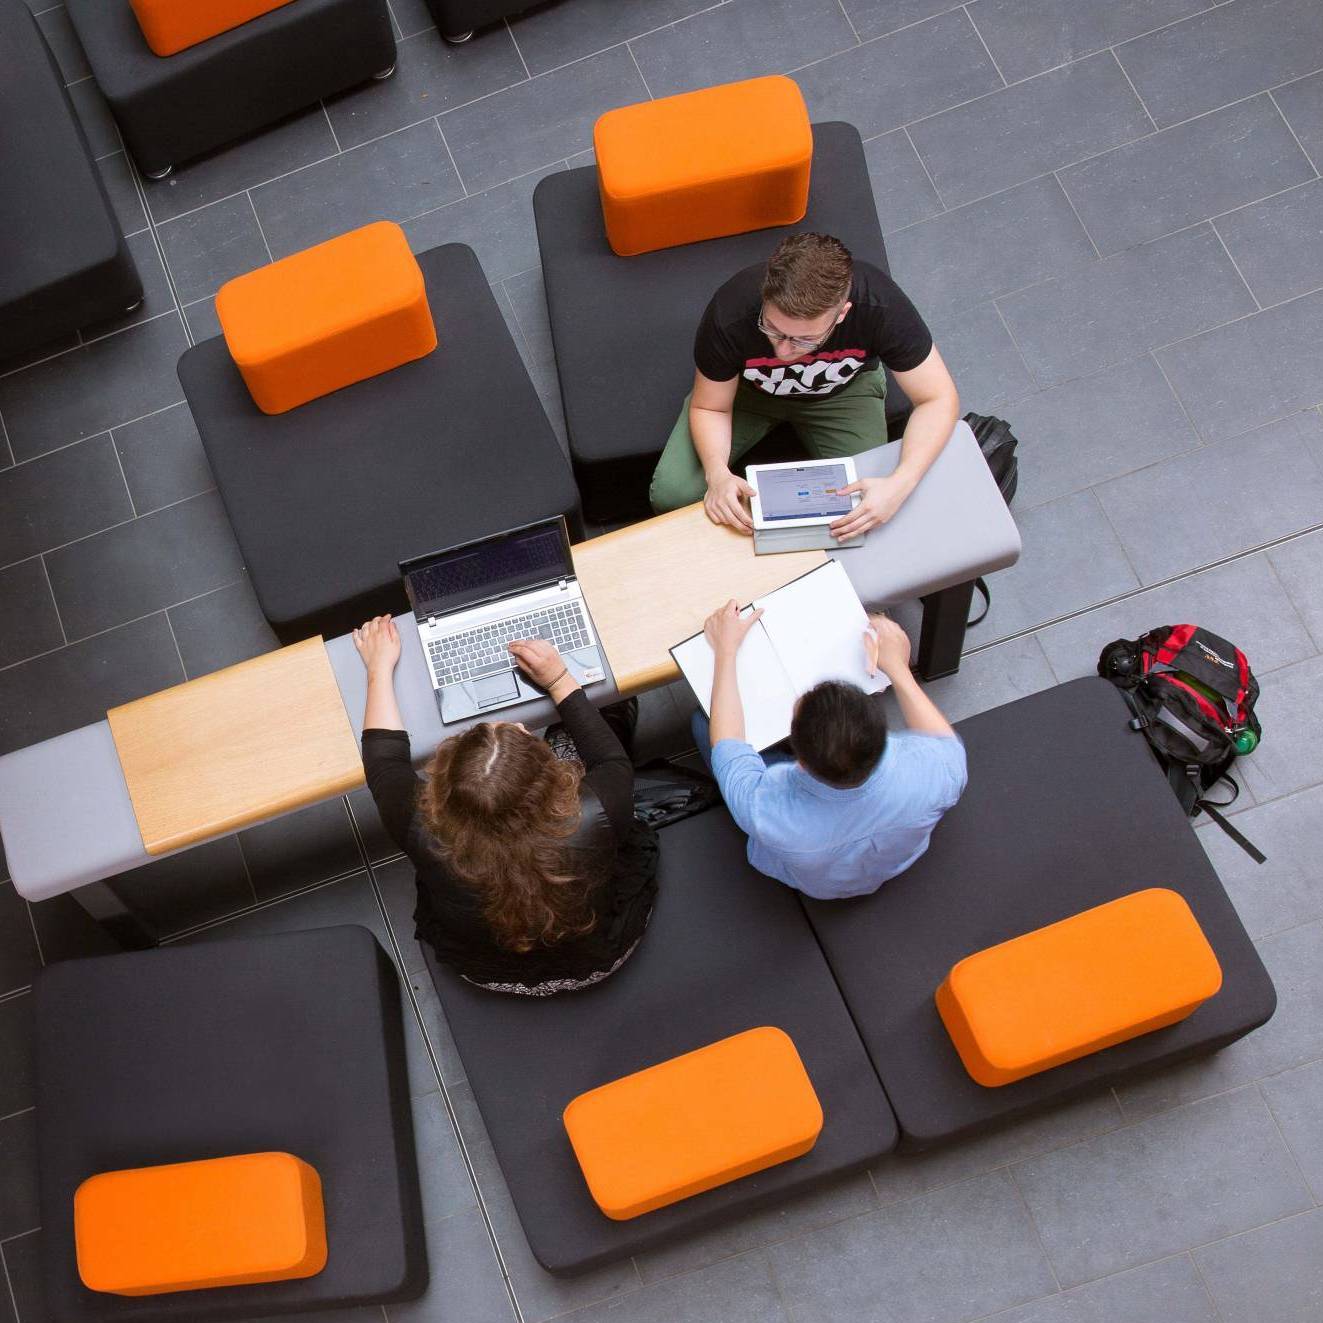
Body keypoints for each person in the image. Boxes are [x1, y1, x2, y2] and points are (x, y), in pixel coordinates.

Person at [352, 615, 658, 995]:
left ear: (446, 784)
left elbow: (384, 760)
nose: (517, 726)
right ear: (551, 779)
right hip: (597, 962)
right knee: (603, 714)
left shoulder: (416, 821)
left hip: (487, 973)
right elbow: (611, 762)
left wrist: (378, 668)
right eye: (519, 733)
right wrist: (559, 678)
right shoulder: (596, 810)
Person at [649, 232, 959, 539]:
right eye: (772, 329)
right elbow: (711, 406)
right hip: (749, 394)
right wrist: (717, 474)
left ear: (842, 314)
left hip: (843, 392)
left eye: (804, 339)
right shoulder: (731, 310)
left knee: (869, 505)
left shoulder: (880, 305)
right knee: (672, 493)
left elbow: (937, 397)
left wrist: (902, 483)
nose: (783, 352)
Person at [694, 602, 966, 899]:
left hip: (814, 884)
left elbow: (726, 744)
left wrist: (726, 650)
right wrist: (898, 668)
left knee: (700, 720)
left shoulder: (767, 813)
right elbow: (942, 740)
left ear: (800, 761)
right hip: (895, 860)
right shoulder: (941, 769)